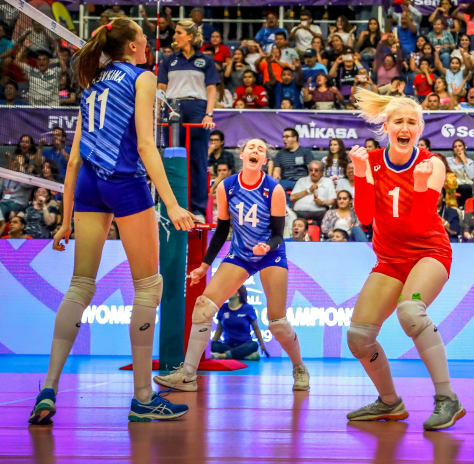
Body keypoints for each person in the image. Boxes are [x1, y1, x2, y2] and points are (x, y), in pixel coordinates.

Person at [29, 18, 196, 425]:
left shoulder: (93, 80)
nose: (146, 44)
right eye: (143, 39)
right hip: (123, 183)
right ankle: (143, 397)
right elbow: (144, 144)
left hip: (88, 185)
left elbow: (72, 160)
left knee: (80, 284)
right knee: (149, 285)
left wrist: (65, 219)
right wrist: (172, 204)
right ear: (133, 46)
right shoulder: (141, 78)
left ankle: (48, 387)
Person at [345, 88, 465, 431]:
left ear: (419, 129)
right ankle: (389, 401)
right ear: (386, 126)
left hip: (430, 253)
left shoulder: (432, 165)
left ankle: (448, 399)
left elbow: (417, 223)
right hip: (390, 260)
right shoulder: (372, 161)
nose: (405, 126)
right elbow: (366, 217)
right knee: (358, 336)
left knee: (411, 311)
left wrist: (421, 186)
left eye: (412, 122)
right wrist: (359, 173)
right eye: (398, 121)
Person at [154, 138, 309, 392]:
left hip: (271, 253)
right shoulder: (226, 187)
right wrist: (204, 266)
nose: (256, 150)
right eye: (252, 147)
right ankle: (188, 375)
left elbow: (279, 233)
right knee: (203, 307)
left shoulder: (274, 189)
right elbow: (222, 229)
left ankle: (299, 367)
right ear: (242, 154)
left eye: (261, 148)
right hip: (240, 254)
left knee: (277, 322)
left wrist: (266, 247)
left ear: (265, 161)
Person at [158, 19, 219, 223]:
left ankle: (198, 210)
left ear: (190, 36)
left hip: (197, 109)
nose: (174, 36)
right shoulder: (168, 61)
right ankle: (173, 207)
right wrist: (157, 110)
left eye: (179, 33)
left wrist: (208, 114)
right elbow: (161, 89)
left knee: (197, 161)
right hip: (172, 109)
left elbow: (211, 89)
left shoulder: (206, 61)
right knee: (172, 160)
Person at [211, 286, 268, 360]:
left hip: (245, 344)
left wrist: (262, 345)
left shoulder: (248, 308)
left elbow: (256, 328)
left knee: (254, 345)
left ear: (238, 294)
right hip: (228, 345)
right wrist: (212, 345)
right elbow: (219, 329)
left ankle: (223, 356)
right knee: (213, 345)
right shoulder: (223, 308)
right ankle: (244, 356)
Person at [268, 128, 312, 193]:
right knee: (277, 187)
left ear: (295, 138)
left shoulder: (306, 152)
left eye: (287, 137)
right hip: (285, 181)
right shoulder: (280, 154)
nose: (284, 139)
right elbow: (276, 172)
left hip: (301, 181)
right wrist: (276, 177)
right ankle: (287, 203)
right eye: (283, 137)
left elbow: (311, 170)